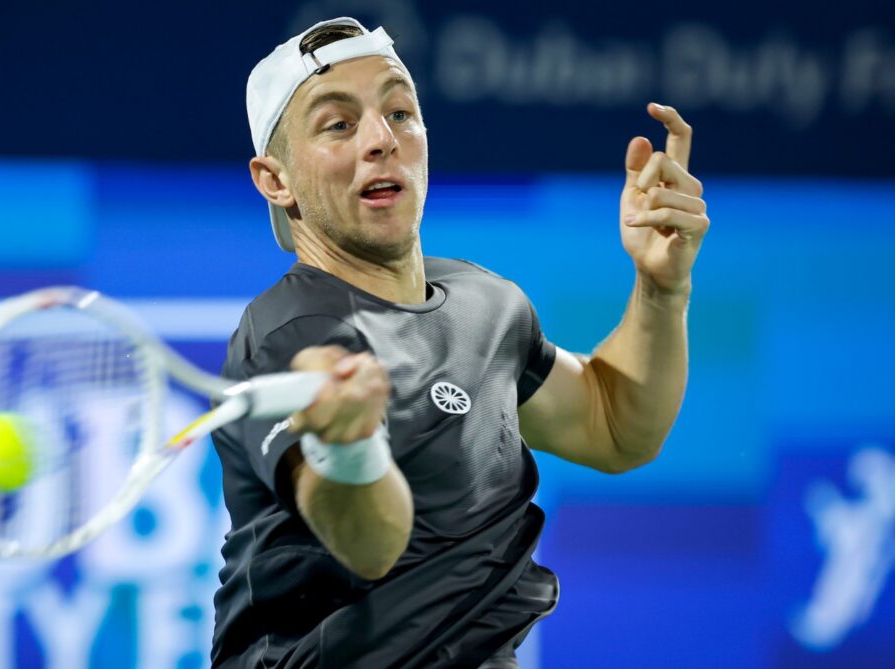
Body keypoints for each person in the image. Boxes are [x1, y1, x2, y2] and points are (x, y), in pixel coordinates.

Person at [210, 17, 709, 669]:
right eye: (338, 124)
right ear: (275, 179)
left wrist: (661, 288)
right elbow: (370, 545)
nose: (381, 140)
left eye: (400, 112)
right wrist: (349, 445)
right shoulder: (289, 334)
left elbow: (614, 424)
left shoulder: (486, 304)